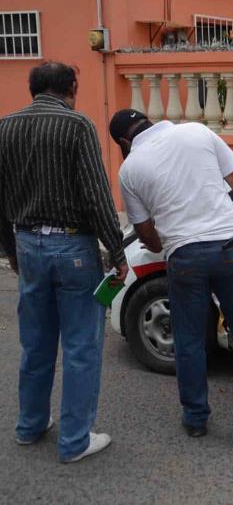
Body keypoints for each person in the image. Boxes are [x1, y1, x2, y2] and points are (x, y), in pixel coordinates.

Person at [109, 109, 233, 440]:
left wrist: (166, 242)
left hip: (185, 255)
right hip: (229, 245)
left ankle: (196, 418)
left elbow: (144, 231)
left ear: (123, 141)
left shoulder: (130, 168)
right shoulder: (197, 132)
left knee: (189, 339)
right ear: (149, 119)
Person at [0, 62, 128, 463]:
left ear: (32, 88)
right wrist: (117, 252)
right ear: (72, 86)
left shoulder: (4, 127)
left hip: (26, 242)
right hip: (72, 249)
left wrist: (11, 250)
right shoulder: (77, 126)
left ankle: (30, 425)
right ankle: (74, 440)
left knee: (35, 343)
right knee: (80, 347)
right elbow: (96, 196)